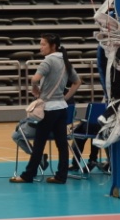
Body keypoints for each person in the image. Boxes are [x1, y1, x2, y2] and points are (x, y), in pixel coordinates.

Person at [11, 33, 81, 185]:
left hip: (48, 109)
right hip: (62, 108)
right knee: (62, 144)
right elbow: (77, 82)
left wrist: (35, 88)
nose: (40, 47)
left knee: (39, 143)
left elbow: (34, 79)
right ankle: (61, 176)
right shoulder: (65, 60)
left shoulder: (48, 60)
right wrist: (65, 98)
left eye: (43, 44)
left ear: (53, 46)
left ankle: (28, 175)